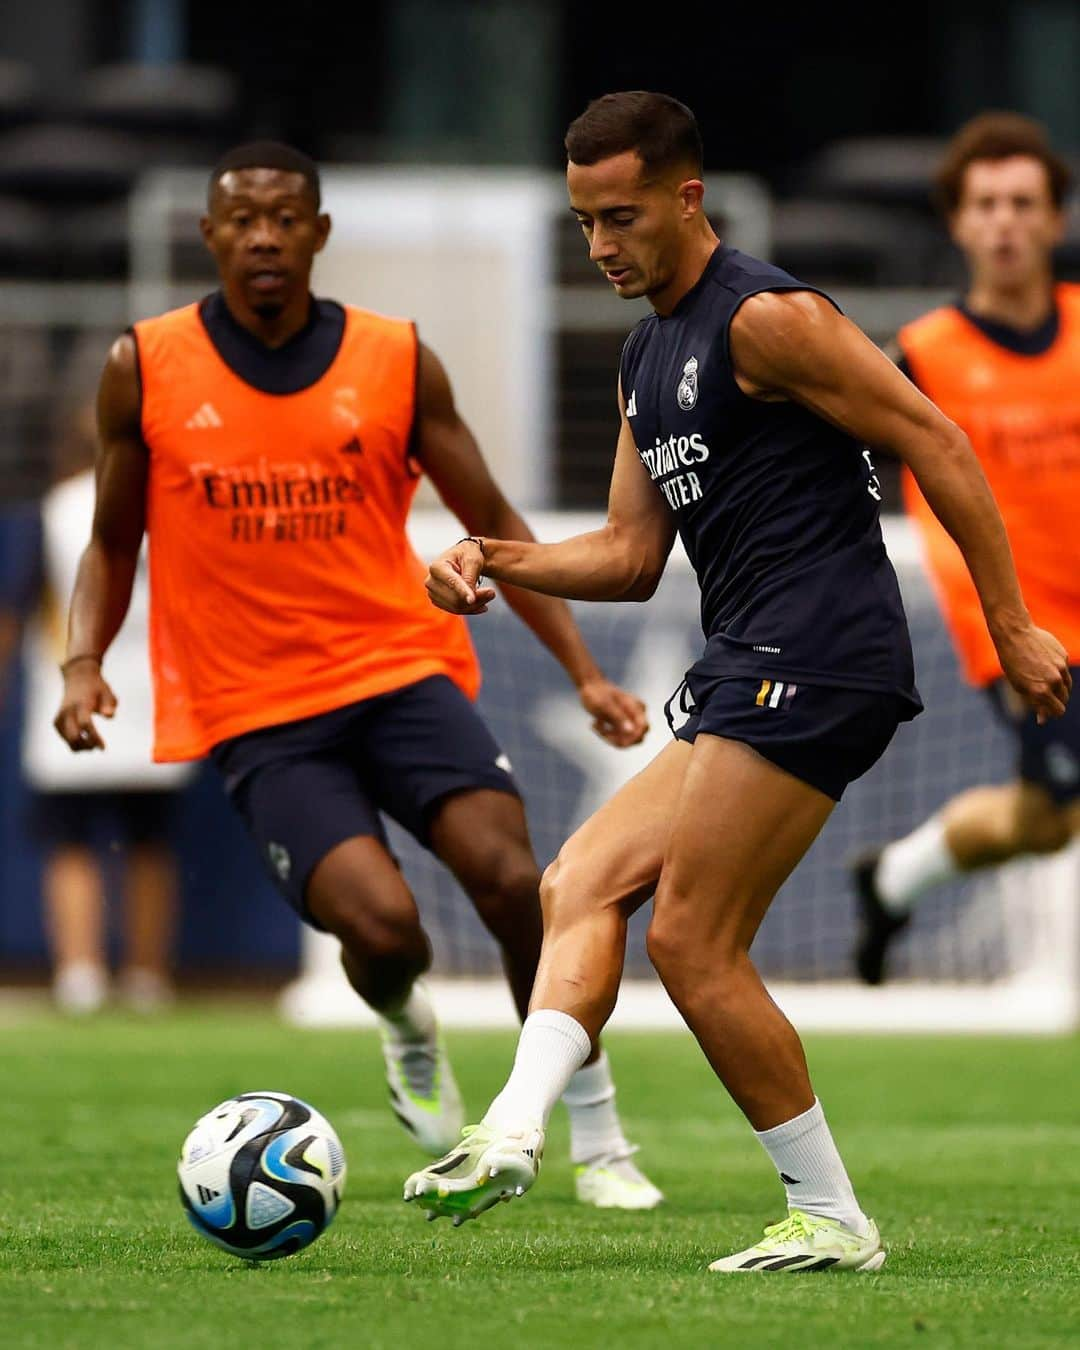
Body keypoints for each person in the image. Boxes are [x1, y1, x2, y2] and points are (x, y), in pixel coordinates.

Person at [405, 91, 1070, 1270]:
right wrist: (492, 555)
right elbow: (625, 555)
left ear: (686, 197)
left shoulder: (768, 318)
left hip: (822, 658)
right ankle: (512, 1130)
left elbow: (939, 441)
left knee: (696, 942)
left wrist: (1012, 622)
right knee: (582, 879)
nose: (603, 246)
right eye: (584, 224)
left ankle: (831, 1217)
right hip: (748, 664)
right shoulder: (644, 353)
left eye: (622, 218)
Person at [52, 141, 662, 1210]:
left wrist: (580, 672)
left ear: (319, 233)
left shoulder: (393, 359)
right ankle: (404, 1022)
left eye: (286, 217)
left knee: (519, 880)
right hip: (259, 710)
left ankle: (598, 1138)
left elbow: (497, 526)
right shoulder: (144, 366)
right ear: (210, 237)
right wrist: (81, 663)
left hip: (399, 669)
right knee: (384, 930)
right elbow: (111, 539)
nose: (265, 237)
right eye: (242, 220)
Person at [851, 113, 1080, 985]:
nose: (1006, 222)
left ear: (1055, 220)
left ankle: (896, 876)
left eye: (1024, 203)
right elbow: (828, 456)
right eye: (985, 204)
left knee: (1048, 821)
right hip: (1023, 628)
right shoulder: (922, 356)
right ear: (958, 222)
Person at [0, 375, 191, 1015]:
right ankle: (146, 976)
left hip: (74, 697)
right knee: (149, 844)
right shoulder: (170, 509)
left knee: (72, 844)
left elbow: (17, 608)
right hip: (154, 699)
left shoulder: (53, 510)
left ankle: (80, 975)